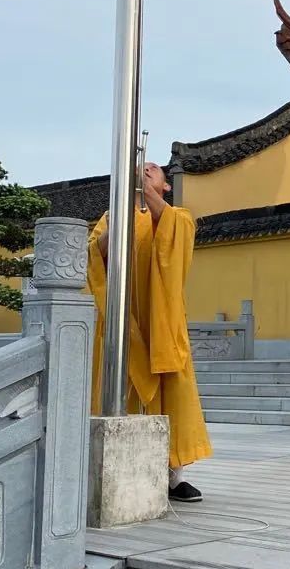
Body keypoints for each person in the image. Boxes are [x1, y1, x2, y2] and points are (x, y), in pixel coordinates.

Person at [88, 162, 211, 502]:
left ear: (166, 186)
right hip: (122, 324)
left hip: (162, 323)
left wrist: (145, 197)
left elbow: (175, 240)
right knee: (120, 390)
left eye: (152, 170)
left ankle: (173, 476)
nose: (144, 172)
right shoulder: (112, 216)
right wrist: (123, 213)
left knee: (172, 395)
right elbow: (95, 256)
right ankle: (117, 467)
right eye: (139, 170)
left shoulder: (179, 216)